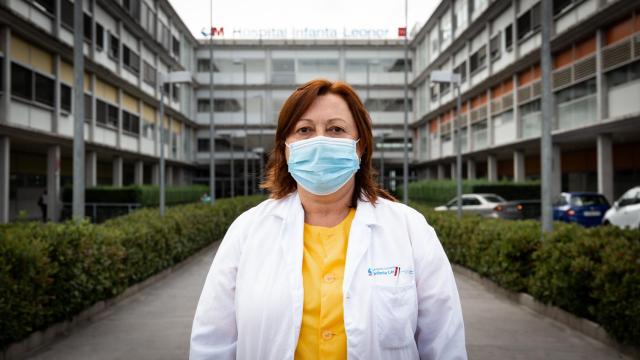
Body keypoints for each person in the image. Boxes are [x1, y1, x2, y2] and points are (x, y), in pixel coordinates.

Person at [190, 79, 466, 359]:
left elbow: (444, 344)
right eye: (304, 130)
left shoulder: (410, 230)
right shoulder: (247, 231)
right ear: (285, 148)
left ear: (360, 146)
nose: (320, 141)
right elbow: (212, 342)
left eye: (336, 129)